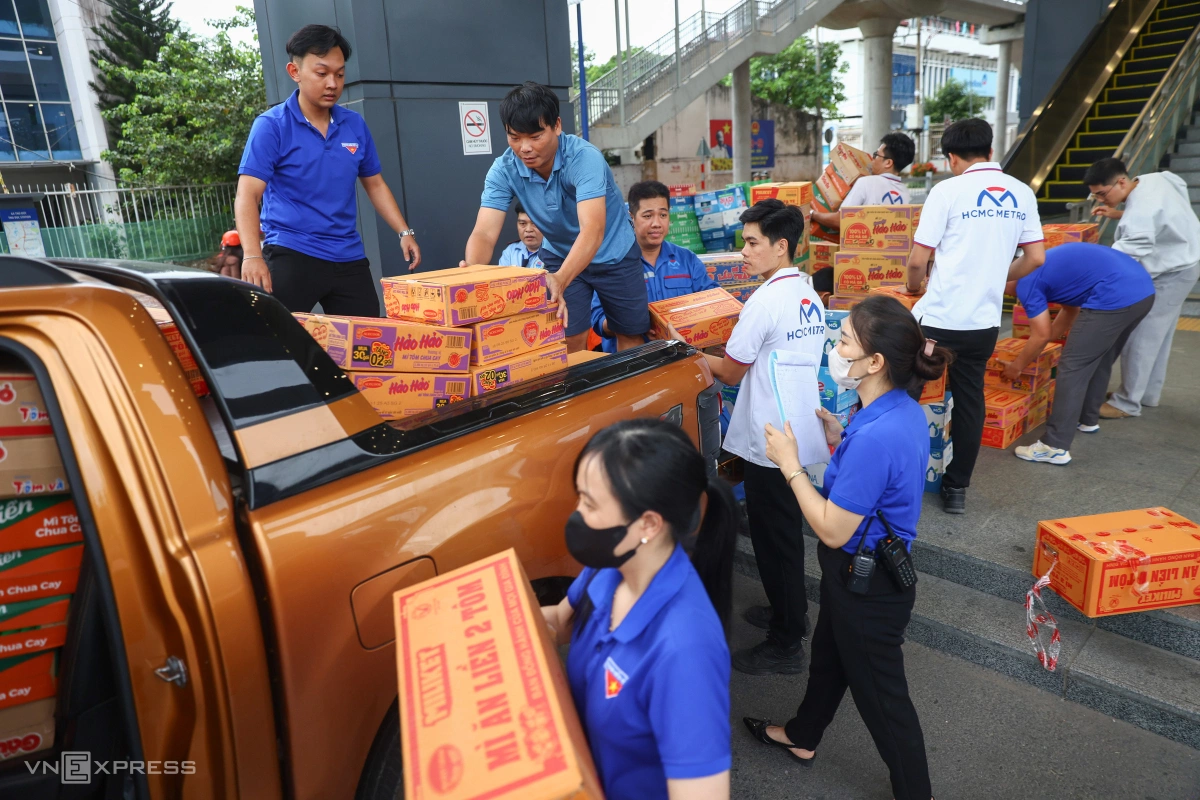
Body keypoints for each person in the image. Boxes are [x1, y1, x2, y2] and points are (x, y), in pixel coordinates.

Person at [744, 295, 950, 800]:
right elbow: (876, 483)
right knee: (830, 658)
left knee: (883, 699)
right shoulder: (893, 409)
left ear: (875, 361)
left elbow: (833, 528)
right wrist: (839, 436)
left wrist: (790, 464)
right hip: (857, 573)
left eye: (843, 342)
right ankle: (802, 736)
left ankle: (914, 791)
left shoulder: (876, 434)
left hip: (868, 582)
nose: (835, 351)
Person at [540, 419, 736, 800]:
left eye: (590, 503)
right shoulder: (610, 567)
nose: (577, 514)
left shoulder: (686, 651)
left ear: (647, 523)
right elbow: (560, 622)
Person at [703, 199, 825, 675]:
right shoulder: (806, 295)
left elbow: (732, 372)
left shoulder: (765, 300)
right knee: (784, 536)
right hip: (795, 431)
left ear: (781, 247)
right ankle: (788, 613)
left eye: (752, 243)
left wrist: (685, 347)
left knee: (777, 543)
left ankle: (786, 641)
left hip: (771, 441)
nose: (743, 252)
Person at [906, 118, 1046, 514]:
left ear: (952, 157)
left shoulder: (948, 191)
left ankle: (898, 477)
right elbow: (1036, 257)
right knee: (970, 401)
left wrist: (914, 288)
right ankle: (956, 489)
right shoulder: (1021, 193)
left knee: (907, 396)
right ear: (989, 150)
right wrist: (997, 277)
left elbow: (918, 261)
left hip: (938, 321)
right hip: (984, 324)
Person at [235, 24, 421, 316]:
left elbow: (375, 184)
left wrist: (404, 232)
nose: (333, 83)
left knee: (369, 346)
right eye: (322, 73)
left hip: (348, 255)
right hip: (291, 252)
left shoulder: (354, 125)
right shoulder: (272, 126)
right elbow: (247, 195)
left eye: (340, 74)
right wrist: (252, 256)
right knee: (283, 345)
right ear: (294, 72)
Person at [464, 82, 648, 353]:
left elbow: (593, 230)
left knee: (630, 336)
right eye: (514, 137)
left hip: (614, 253)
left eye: (535, 136)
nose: (524, 147)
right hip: (560, 253)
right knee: (568, 338)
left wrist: (561, 279)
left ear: (557, 126)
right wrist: (471, 270)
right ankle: (574, 395)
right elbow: (484, 233)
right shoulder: (503, 169)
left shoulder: (585, 159)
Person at [1002, 243, 1154, 465]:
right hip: (1142, 291)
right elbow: (1069, 310)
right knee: (1098, 357)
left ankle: (1054, 446)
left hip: (1114, 295)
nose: (1003, 293)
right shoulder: (1038, 265)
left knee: (1072, 367)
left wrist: (1016, 366)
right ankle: (1087, 418)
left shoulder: (1025, 281)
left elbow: (1041, 335)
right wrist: (1039, 347)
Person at [1084, 157, 1200, 420]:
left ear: (1122, 181)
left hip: (1171, 271)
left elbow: (1125, 256)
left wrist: (1088, 270)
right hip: (1186, 259)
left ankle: (1127, 403)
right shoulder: (1156, 179)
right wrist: (1119, 213)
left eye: (1102, 194)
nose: (1101, 200)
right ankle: (1147, 394)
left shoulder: (1141, 215)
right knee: (1160, 335)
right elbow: (1164, 210)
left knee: (1142, 337)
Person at [589, 181, 719, 353]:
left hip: (682, 357)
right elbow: (598, 321)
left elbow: (713, 300)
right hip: (632, 363)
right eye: (648, 216)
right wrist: (632, 323)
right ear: (631, 217)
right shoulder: (612, 263)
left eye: (663, 215)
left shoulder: (687, 259)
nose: (656, 223)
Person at [497, 200, 546, 268]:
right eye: (522, 224)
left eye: (535, 224)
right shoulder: (511, 251)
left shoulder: (555, 253)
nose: (528, 230)